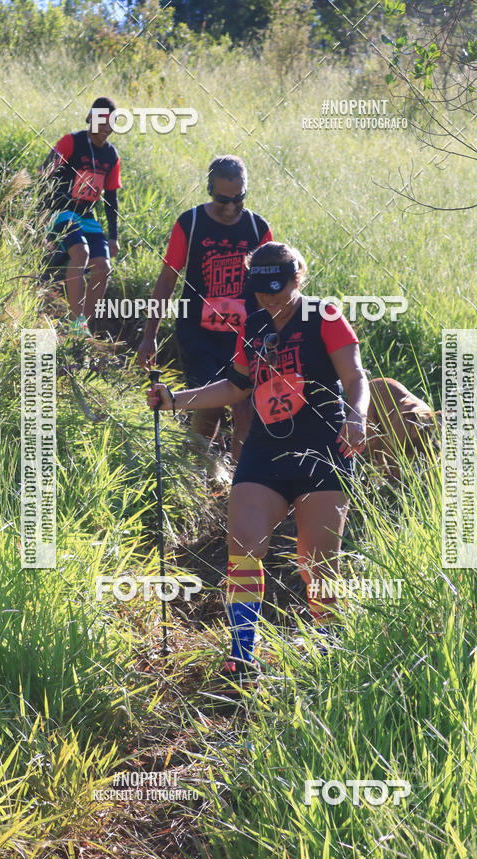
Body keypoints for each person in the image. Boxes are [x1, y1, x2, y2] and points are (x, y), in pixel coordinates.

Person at [148, 242, 370, 686]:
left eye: (278, 287)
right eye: (262, 288)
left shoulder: (324, 316)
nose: (270, 296)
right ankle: (241, 655)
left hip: (323, 452)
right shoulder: (251, 324)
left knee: (319, 561)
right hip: (265, 451)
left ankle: (327, 646)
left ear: (298, 278)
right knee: (243, 544)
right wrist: (175, 401)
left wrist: (357, 416)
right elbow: (235, 387)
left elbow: (355, 377)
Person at [138, 155, 273, 460]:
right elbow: (166, 281)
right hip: (197, 332)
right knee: (209, 402)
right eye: (222, 199)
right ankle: (192, 470)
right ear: (210, 190)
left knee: (244, 409)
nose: (230, 207)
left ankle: (240, 486)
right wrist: (150, 335)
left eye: (238, 199)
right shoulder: (191, 223)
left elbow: (271, 288)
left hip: (243, 335)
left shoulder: (257, 227)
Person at [41, 97, 122, 334]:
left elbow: (112, 198)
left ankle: (81, 324)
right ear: (91, 119)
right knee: (81, 253)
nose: (107, 129)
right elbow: (44, 175)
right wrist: (43, 216)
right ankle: (76, 320)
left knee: (103, 268)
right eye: (103, 122)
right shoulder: (71, 142)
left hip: (87, 216)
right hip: (62, 211)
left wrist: (114, 236)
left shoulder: (111, 155)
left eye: (112, 124)